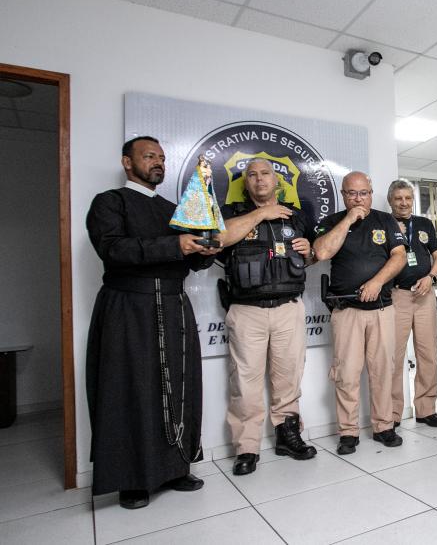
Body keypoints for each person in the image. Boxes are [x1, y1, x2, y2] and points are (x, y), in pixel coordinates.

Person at [86, 136, 217, 509]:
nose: (158, 162)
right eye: (149, 157)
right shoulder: (110, 202)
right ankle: (132, 479)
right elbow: (113, 249)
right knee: (129, 389)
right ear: (128, 163)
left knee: (180, 387)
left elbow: (191, 262)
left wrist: (207, 250)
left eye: (161, 157)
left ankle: (176, 467)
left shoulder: (174, 209)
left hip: (174, 305)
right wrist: (177, 246)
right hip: (128, 307)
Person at [216, 158, 318, 476]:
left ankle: (288, 436)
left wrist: (308, 250)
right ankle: (246, 447)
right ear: (246, 183)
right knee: (244, 383)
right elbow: (220, 240)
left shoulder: (298, 215)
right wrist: (262, 213)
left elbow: (312, 256)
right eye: (253, 175)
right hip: (247, 310)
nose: (260, 180)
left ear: (277, 180)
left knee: (288, 378)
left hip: (288, 306)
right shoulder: (232, 212)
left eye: (266, 174)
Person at [313, 171, 407, 455]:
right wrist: (349, 219)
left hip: (382, 309)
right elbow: (321, 252)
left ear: (370, 192)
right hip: (347, 311)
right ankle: (348, 432)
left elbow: (399, 255)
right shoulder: (331, 222)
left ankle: (383, 427)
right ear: (343, 194)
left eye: (364, 193)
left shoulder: (385, 220)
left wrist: (377, 281)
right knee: (346, 374)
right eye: (352, 193)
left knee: (383, 371)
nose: (359, 198)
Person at [387, 180, 437, 428]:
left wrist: (431, 277)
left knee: (428, 354)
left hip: (424, 296)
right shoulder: (383, 223)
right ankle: (391, 413)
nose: (403, 203)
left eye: (408, 198)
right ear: (391, 200)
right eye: (399, 198)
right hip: (397, 296)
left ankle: (425, 409)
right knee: (393, 357)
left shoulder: (424, 224)